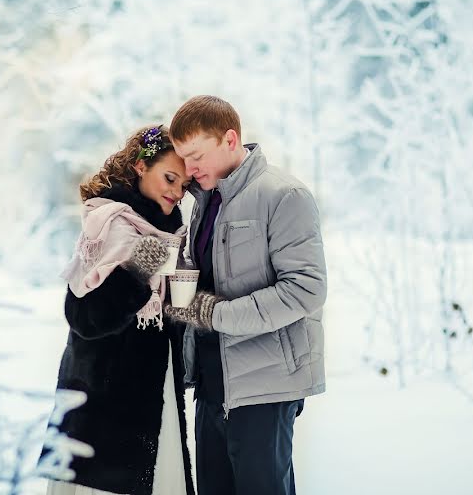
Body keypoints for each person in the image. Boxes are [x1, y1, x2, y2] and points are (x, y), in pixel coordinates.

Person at [163, 96, 327, 495]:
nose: (189, 169)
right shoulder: (204, 204)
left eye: (196, 155)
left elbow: (306, 289)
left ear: (230, 139)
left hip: (264, 389)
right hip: (211, 384)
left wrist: (215, 314)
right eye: (183, 159)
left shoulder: (284, 195)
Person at [38, 125, 195, 495]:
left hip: (152, 396)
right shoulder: (110, 223)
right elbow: (84, 317)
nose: (176, 192)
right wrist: (146, 266)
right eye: (170, 178)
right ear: (141, 166)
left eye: (184, 186)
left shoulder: (169, 230)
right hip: (104, 407)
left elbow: (174, 311)